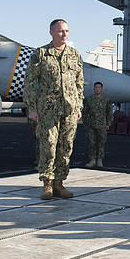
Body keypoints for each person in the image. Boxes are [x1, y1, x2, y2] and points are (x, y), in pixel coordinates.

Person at [25, 19, 85, 200]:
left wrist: (79, 105)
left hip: (69, 109)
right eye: (60, 31)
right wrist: (32, 107)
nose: (64, 34)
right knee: (49, 146)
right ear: (51, 32)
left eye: (66, 30)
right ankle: (47, 184)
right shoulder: (41, 54)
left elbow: (79, 83)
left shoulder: (74, 55)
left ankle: (60, 183)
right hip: (48, 109)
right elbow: (29, 82)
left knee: (66, 146)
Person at [82, 82, 114, 168]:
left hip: (102, 125)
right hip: (91, 125)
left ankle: (99, 159)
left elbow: (109, 113)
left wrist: (108, 123)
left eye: (99, 88)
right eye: (96, 87)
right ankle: (92, 160)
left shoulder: (106, 100)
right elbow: (85, 113)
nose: (97, 89)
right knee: (92, 143)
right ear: (93, 89)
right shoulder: (89, 100)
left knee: (101, 143)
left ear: (102, 89)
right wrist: (85, 123)